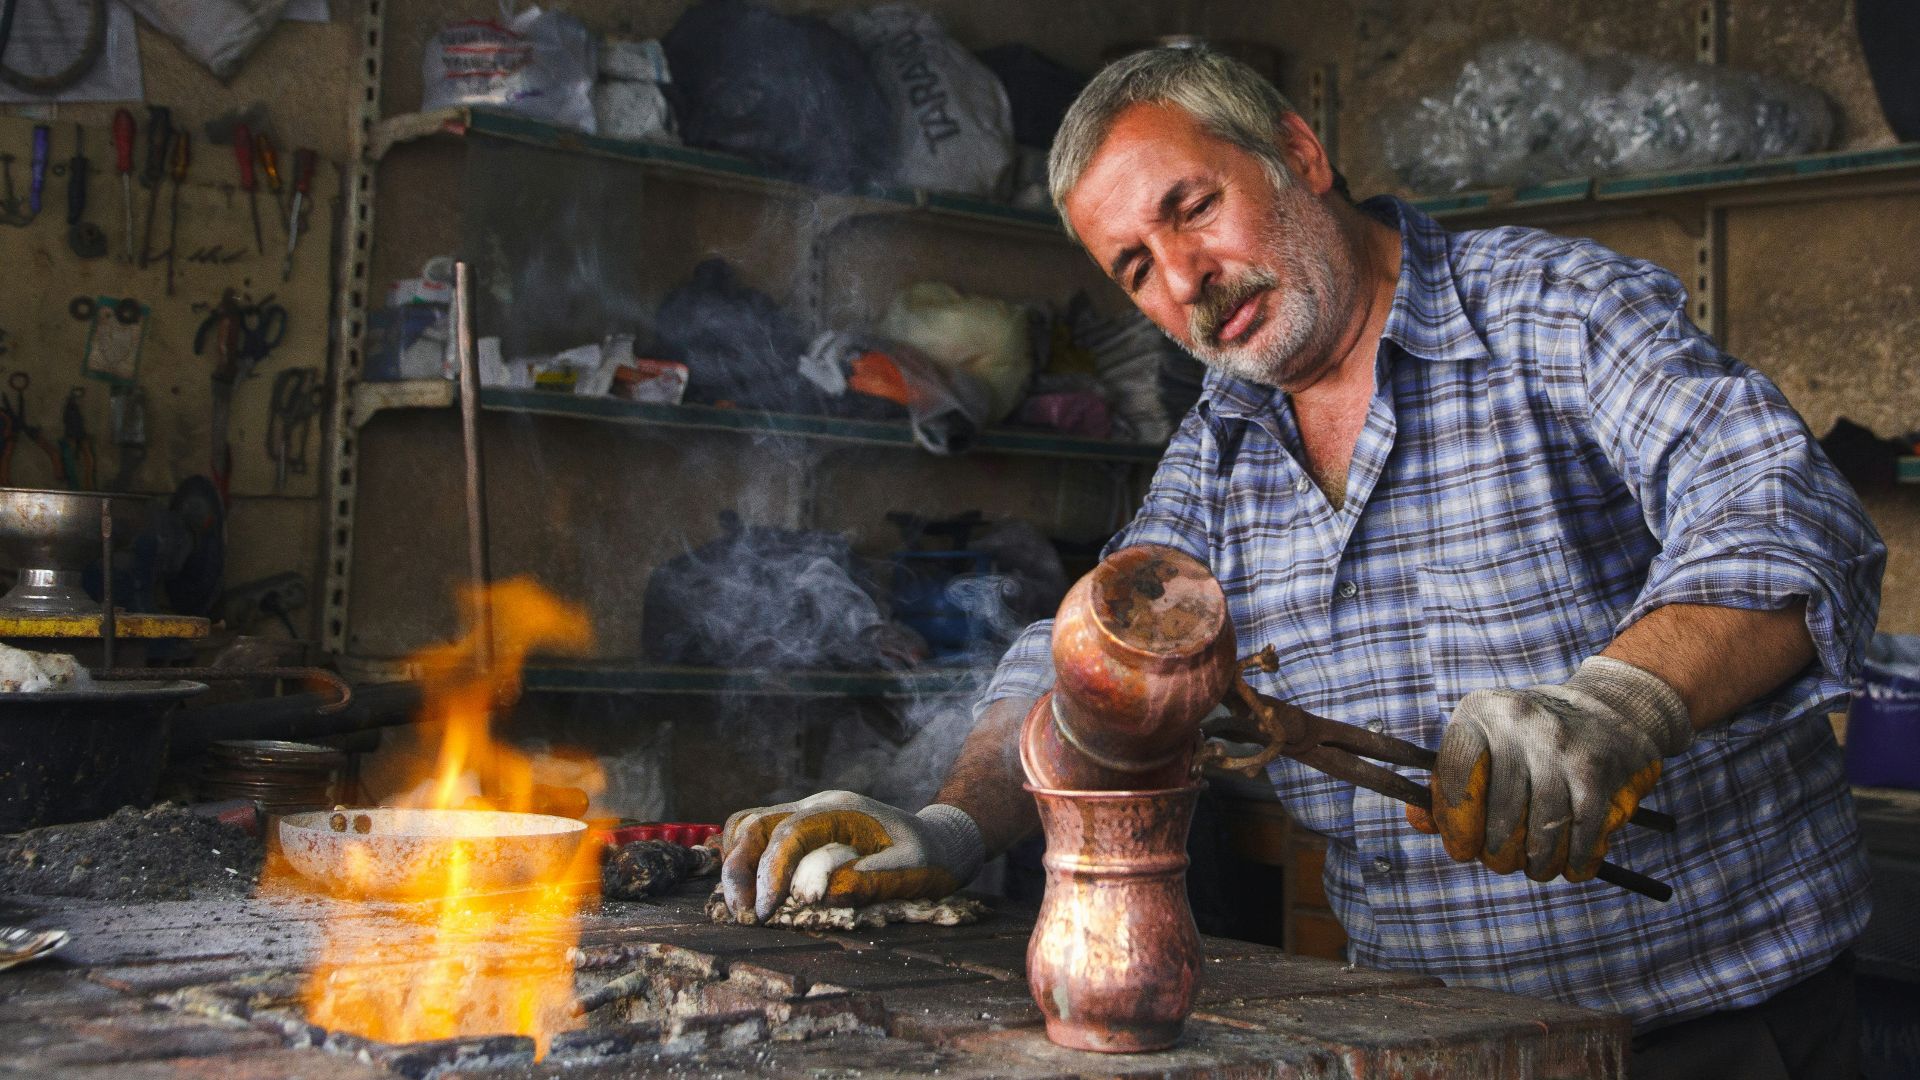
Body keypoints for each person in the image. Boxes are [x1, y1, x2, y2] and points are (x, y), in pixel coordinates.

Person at [719, 46, 1882, 1079]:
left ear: (1299, 152)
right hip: (1442, 1048)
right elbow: (1094, 653)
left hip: (1723, 1034)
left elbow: (1780, 509)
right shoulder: (1222, 446)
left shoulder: (1549, 311)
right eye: (1133, 266)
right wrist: (954, 825)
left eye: (1193, 208)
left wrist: (1621, 705)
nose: (1184, 279)